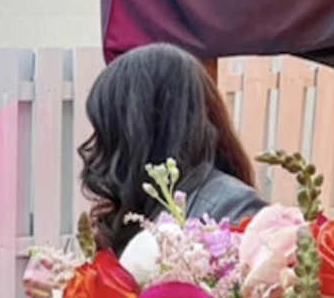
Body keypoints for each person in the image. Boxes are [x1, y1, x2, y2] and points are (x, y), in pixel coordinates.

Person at [78, 42, 267, 256]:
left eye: (105, 130)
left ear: (136, 133)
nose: (97, 145)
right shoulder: (138, 208)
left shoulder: (233, 209)